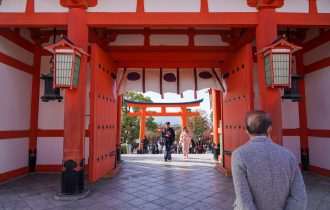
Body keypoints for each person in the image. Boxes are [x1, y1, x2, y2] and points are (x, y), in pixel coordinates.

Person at [232, 110, 307, 210]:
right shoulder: (289, 155)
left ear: (246, 129)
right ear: (269, 130)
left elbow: (244, 200)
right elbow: (300, 197)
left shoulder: (239, 155)